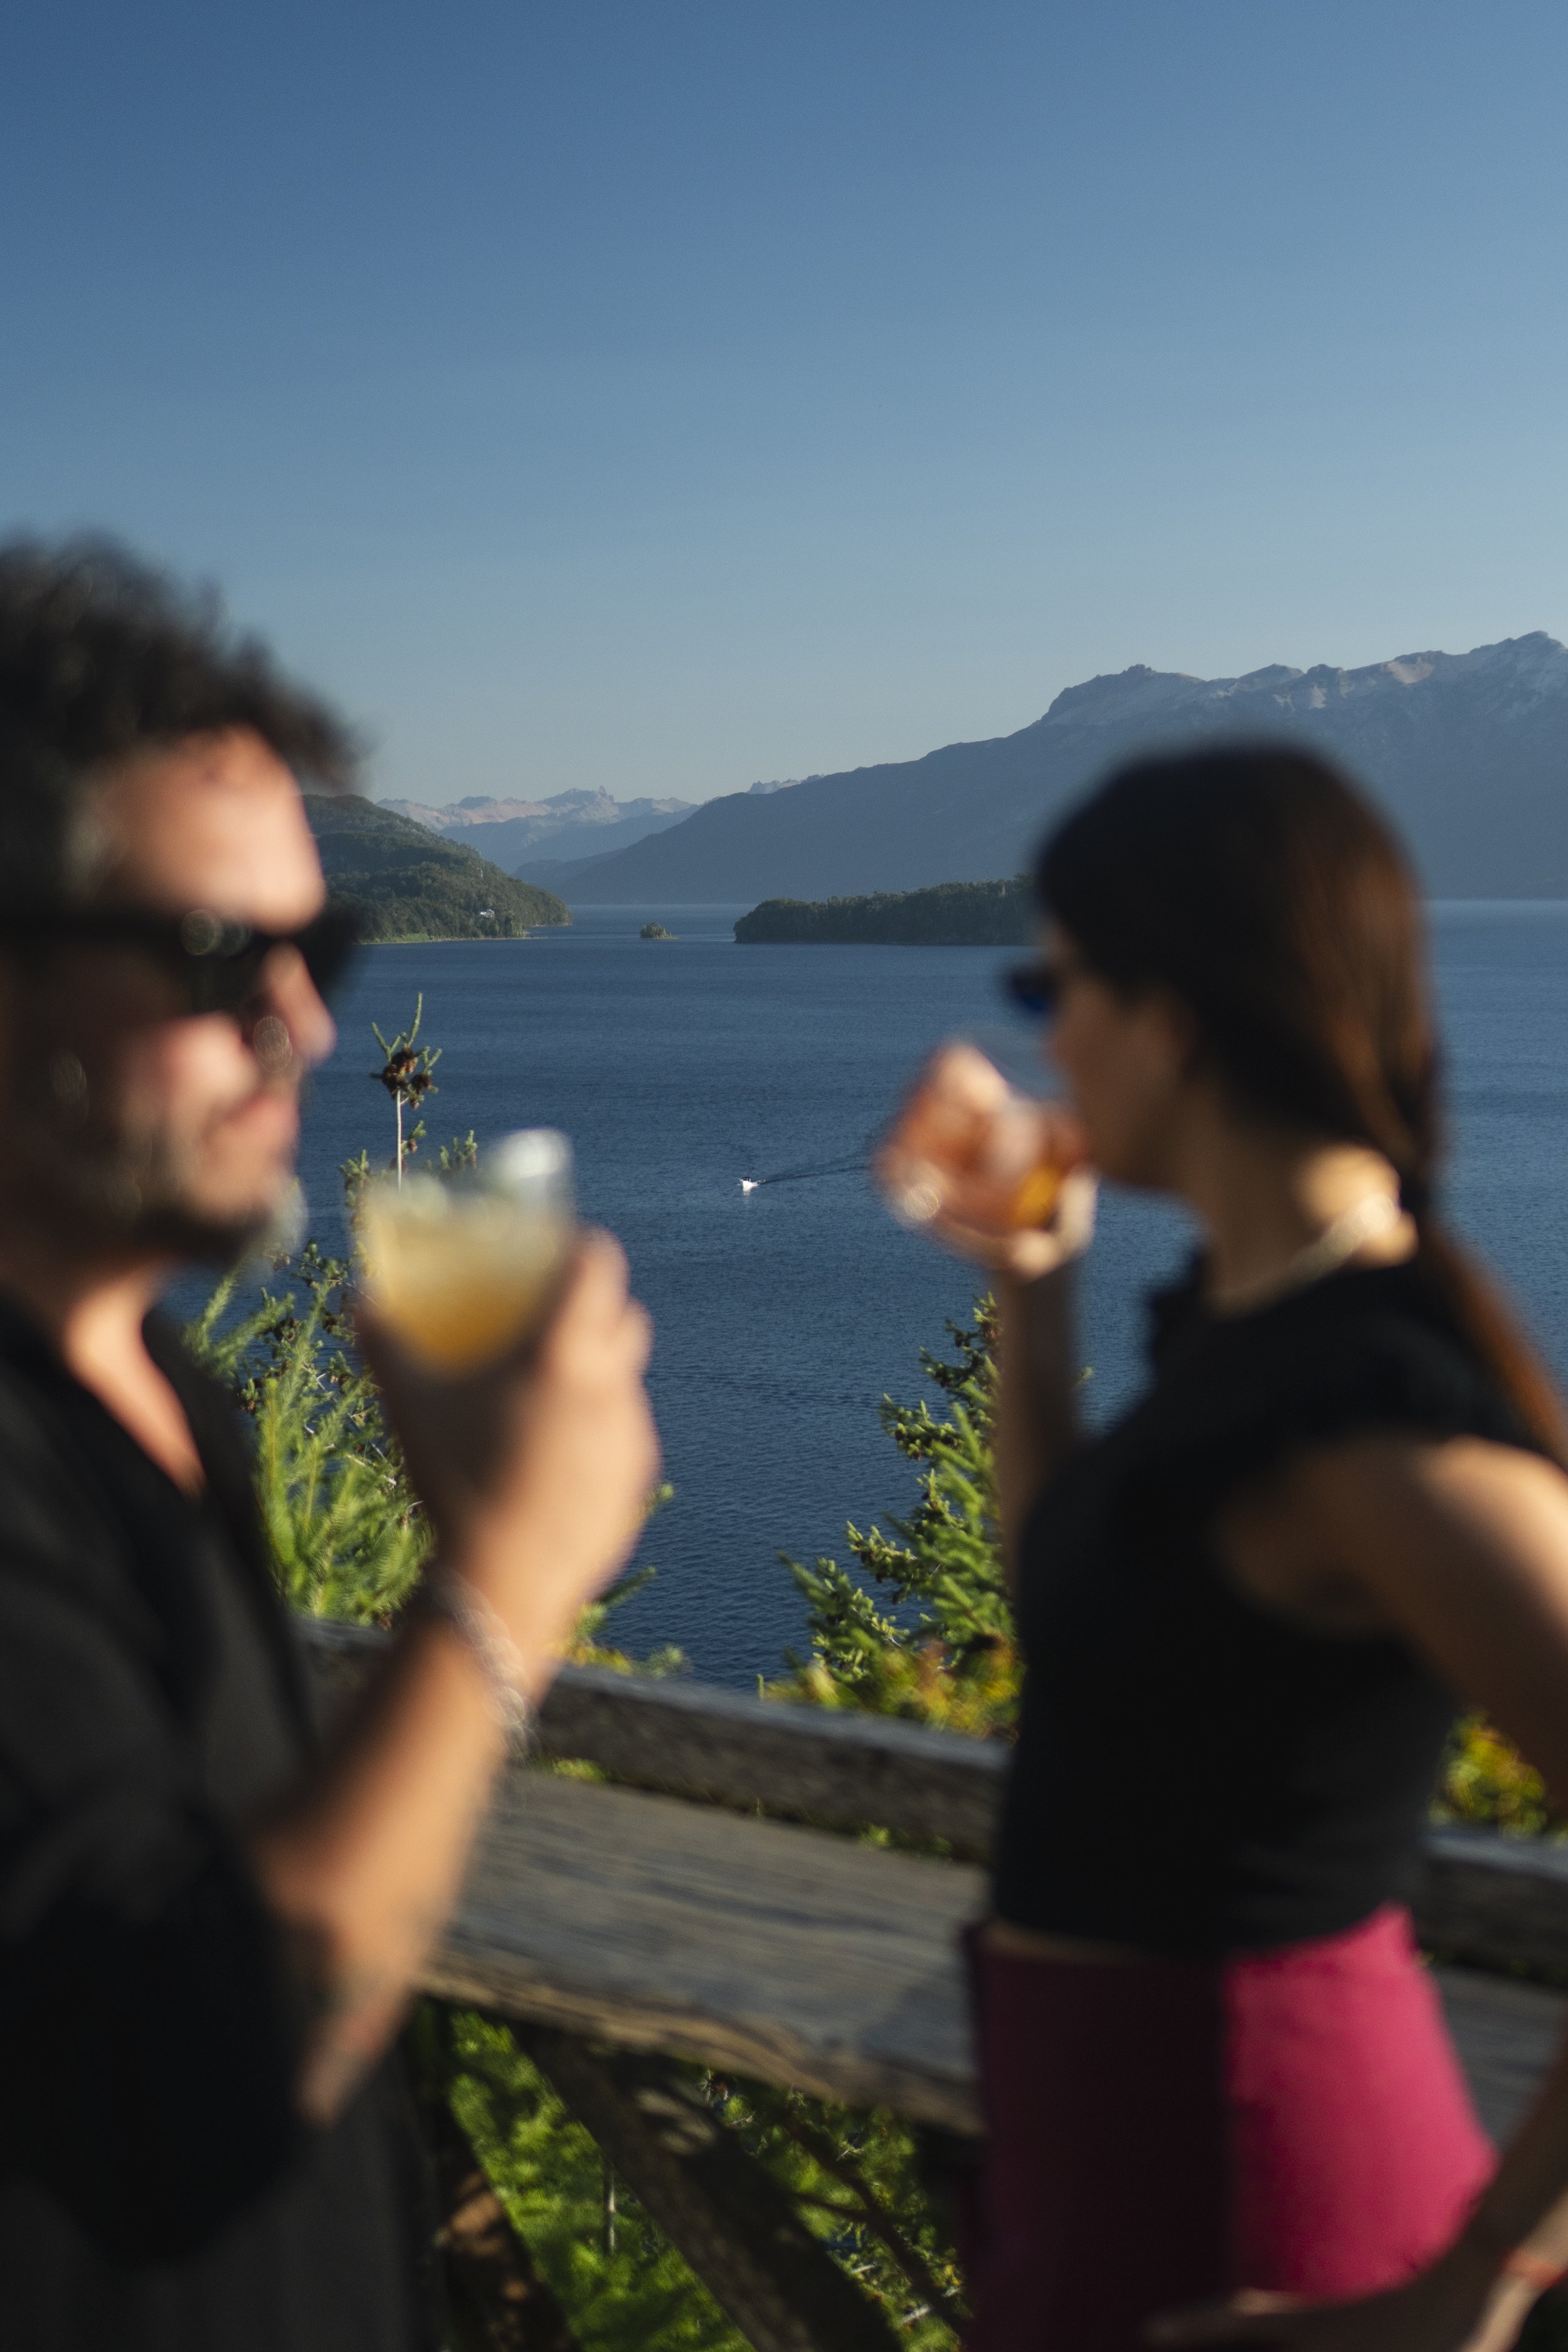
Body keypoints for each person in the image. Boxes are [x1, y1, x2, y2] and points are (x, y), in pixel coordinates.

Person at [0, 539, 659, 2350]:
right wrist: (512, 1568)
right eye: (219, 955)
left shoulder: (158, 1386)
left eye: (321, 947)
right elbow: (181, 2089)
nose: (301, 1022)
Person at [878, 744, 1568, 2352]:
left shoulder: (1366, 1419)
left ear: (1169, 1017)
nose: (1039, 1036)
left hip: (1265, 2212)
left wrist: (1468, 2293)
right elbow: (1079, 1610)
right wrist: (1031, 1291)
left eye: (1051, 983)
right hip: (1123, 2179)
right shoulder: (1253, 1348)